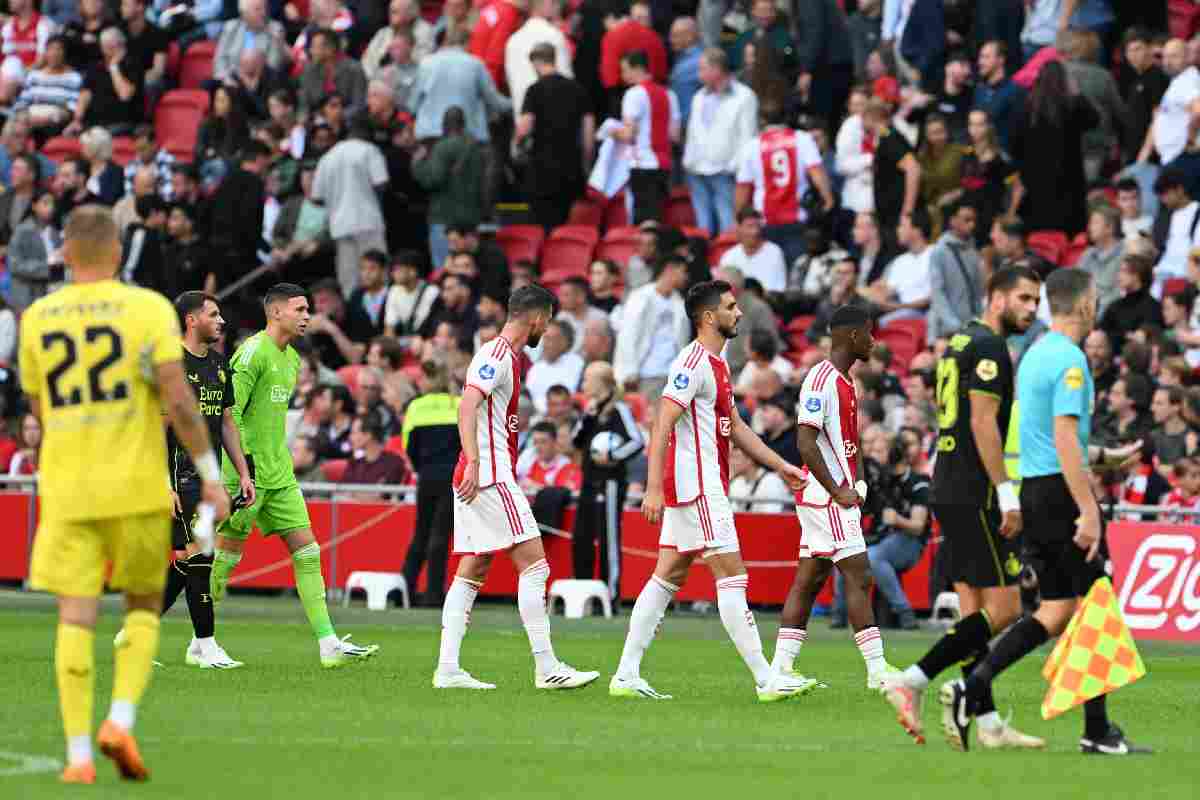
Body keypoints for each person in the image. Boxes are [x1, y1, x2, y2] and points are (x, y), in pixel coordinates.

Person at [21, 205, 230, 783]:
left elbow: (36, 413)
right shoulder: (145, 309)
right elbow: (178, 402)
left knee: (75, 616)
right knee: (141, 606)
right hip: (137, 486)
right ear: (118, 253)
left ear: (64, 253)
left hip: (68, 489)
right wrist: (210, 475)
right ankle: (119, 719)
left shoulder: (37, 317)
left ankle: (79, 756)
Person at [943, 268, 1152, 757]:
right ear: (1083, 305)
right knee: (1098, 602)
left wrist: (1105, 456)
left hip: (1036, 491)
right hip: (1061, 495)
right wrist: (1089, 511)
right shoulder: (1072, 360)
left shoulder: (1034, 354)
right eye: (1096, 299)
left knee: (1058, 610)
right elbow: (1063, 439)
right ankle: (1096, 732)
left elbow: (1049, 437)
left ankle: (973, 686)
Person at [610, 280, 812, 701]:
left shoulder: (718, 365)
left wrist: (780, 465)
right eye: (730, 307)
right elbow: (662, 422)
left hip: (698, 485)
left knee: (668, 575)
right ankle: (765, 677)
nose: (739, 313)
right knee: (733, 576)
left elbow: (735, 428)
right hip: (699, 487)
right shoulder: (691, 362)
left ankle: (626, 673)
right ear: (708, 317)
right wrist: (652, 487)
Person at [881, 266, 1046, 749]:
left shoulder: (957, 342)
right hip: (975, 491)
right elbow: (983, 424)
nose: (1031, 309)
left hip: (948, 483)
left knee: (972, 608)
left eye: (1035, 301)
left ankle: (988, 720)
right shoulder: (992, 349)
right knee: (1007, 608)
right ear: (995, 298)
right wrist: (1007, 491)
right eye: (1023, 298)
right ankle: (911, 679)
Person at [435, 284, 599, 691]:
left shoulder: (507, 356)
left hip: (480, 473)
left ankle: (448, 667)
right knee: (535, 565)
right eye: (549, 322)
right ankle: (546, 667)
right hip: (489, 474)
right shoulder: (497, 354)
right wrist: (474, 460)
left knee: (473, 569)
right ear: (538, 319)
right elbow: (467, 404)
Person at [208, 284, 379, 668]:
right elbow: (227, 412)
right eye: (300, 309)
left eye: (309, 310)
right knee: (224, 558)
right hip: (244, 472)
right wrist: (242, 467)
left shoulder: (292, 360)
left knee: (307, 549)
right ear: (276, 313)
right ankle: (200, 640)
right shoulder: (251, 354)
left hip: (279, 471)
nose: (307, 316)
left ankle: (328, 642)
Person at [113, 292, 252, 669]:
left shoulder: (221, 365)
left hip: (206, 479)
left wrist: (241, 471)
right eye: (213, 314)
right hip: (176, 476)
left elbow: (225, 422)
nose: (221, 321)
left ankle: (132, 634)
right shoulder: (170, 364)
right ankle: (205, 646)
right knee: (202, 558)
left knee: (188, 563)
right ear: (191, 320)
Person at [771, 304, 894, 690]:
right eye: (869, 333)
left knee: (809, 579)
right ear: (851, 336)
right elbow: (804, 441)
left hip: (831, 495)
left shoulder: (845, 381)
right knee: (860, 576)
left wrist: (857, 484)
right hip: (826, 498)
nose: (874, 340)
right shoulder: (820, 381)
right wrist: (837, 489)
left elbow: (847, 442)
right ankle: (877, 672)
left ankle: (781, 668)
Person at [571, 361, 643, 603]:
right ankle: (581, 594)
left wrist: (613, 455)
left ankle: (610, 594)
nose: (583, 384)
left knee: (608, 539)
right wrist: (587, 418)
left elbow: (637, 440)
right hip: (588, 481)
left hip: (610, 483)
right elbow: (576, 441)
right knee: (581, 536)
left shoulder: (619, 409)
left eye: (587, 379)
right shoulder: (590, 410)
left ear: (600, 382)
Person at [734, 99, 834, 269]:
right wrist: (828, 197)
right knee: (796, 267)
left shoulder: (752, 146)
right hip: (797, 218)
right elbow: (816, 171)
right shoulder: (801, 139)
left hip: (765, 220)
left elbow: (743, 187)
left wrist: (738, 219)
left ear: (762, 121)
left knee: (769, 268)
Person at [1010, 60, 1099, 235]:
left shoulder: (1027, 110)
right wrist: (1077, 93)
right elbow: (1093, 119)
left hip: (1036, 184)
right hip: (1069, 184)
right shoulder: (1071, 108)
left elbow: (1015, 145)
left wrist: (1024, 172)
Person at [515, 42, 594, 233]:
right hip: (570, 166)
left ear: (535, 62)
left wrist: (517, 145)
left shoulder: (534, 90)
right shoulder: (577, 89)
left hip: (541, 167)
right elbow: (588, 135)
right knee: (566, 224)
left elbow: (524, 127)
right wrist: (587, 163)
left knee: (541, 226)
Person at [401, 358, 460, 606]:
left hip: (426, 476)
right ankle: (434, 594)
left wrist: (421, 468)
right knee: (440, 536)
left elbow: (408, 446)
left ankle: (404, 588)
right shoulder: (458, 404)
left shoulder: (415, 407)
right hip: (452, 477)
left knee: (421, 534)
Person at [682, 47, 758, 236]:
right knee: (702, 226)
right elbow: (693, 131)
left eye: (702, 68)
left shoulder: (744, 96)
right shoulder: (699, 96)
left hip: (725, 171)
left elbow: (747, 136)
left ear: (716, 69)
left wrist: (735, 167)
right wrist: (688, 160)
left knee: (728, 224)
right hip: (696, 169)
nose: (698, 74)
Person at [313, 122, 390, 296]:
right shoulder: (369, 150)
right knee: (377, 277)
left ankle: (353, 320)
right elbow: (381, 183)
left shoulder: (328, 157)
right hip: (367, 221)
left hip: (340, 226)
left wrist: (336, 199)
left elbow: (316, 198)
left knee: (349, 283)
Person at [615, 49, 681, 224]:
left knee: (643, 221)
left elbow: (629, 134)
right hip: (664, 165)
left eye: (625, 70)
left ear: (638, 69)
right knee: (657, 217)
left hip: (642, 163)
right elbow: (674, 135)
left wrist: (611, 132)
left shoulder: (633, 94)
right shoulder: (670, 94)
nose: (623, 75)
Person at [613, 255, 690, 403]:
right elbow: (628, 335)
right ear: (669, 270)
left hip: (673, 374)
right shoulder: (641, 297)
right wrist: (630, 370)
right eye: (683, 271)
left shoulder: (679, 302)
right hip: (647, 373)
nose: (686, 277)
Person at [926, 202, 982, 345]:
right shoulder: (939, 251)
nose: (972, 225)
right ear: (953, 221)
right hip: (946, 330)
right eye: (967, 220)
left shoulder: (973, 251)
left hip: (969, 326)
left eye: (974, 220)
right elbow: (937, 293)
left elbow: (977, 292)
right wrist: (953, 325)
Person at [863, 97, 921, 232]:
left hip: (898, 217)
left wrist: (907, 213)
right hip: (889, 216)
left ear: (872, 117)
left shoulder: (890, 139)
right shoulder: (884, 138)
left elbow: (913, 169)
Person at [526, 319, 584, 414]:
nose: (546, 344)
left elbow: (569, 396)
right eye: (545, 339)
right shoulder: (535, 368)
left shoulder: (576, 363)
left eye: (552, 339)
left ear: (565, 342)